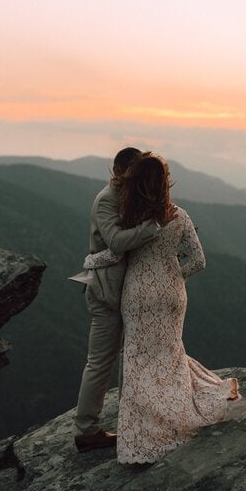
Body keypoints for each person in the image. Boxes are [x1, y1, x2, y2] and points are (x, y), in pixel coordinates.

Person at [85, 152, 239, 464]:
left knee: (138, 357)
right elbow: (199, 261)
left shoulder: (132, 219)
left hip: (138, 294)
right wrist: (171, 277)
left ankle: (143, 430)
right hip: (172, 295)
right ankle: (178, 409)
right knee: (169, 352)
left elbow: (114, 253)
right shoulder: (180, 216)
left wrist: (89, 261)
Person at [73, 147, 161, 452]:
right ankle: (86, 430)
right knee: (99, 362)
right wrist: (154, 228)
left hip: (121, 290)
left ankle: (130, 421)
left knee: (126, 357)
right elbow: (117, 241)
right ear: (120, 171)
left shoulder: (123, 197)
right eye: (134, 173)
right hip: (105, 291)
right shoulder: (106, 199)